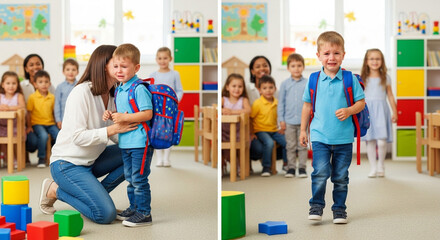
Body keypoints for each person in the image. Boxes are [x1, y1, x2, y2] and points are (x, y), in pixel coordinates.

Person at [38, 45, 138, 224]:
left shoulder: (114, 95)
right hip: (66, 165)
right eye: (116, 63)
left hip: (92, 160)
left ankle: (96, 197)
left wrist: (137, 137)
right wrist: (113, 129)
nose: (121, 67)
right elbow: (78, 137)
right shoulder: (81, 92)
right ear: (103, 65)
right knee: (105, 215)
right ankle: (55, 190)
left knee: (134, 153)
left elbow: (115, 135)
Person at [299, 31, 365, 224]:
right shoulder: (313, 79)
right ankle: (316, 206)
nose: (331, 58)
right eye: (326, 53)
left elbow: (361, 103)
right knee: (320, 172)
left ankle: (339, 210)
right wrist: (303, 130)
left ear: (343, 55)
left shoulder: (350, 79)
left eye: (336, 53)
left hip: (344, 138)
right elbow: (306, 106)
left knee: (341, 177)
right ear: (318, 55)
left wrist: (349, 110)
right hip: (319, 136)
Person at [102, 43, 154, 227]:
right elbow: (122, 112)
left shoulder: (139, 88)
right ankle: (134, 208)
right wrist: (111, 114)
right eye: (116, 66)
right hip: (126, 142)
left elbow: (147, 114)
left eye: (124, 66)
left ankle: (144, 213)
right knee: (131, 178)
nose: (119, 70)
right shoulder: (120, 89)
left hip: (140, 142)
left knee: (139, 179)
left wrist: (124, 117)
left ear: (136, 68)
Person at [360, 48, 397, 178]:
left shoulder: (385, 77)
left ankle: (381, 165)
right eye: (372, 58)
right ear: (366, 61)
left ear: (382, 61)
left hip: (382, 111)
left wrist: (395, 112)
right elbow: (358, 97)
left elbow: (390, 96)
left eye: (378, 59)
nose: (375, 61)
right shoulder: (362, 78)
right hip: (367, 112)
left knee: (381, 141)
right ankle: (373, 167)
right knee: (370, 141)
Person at [149, 47, 183, 167]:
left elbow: (179, 90)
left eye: (165, 58)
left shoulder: (175, 74)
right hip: (157, 109)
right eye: (160, 58)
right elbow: (150, 91)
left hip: (171, 109)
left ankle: (167, 158)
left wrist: (175, 101)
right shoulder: (153, 75)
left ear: (170, 59)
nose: (162, 61)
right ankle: (159, 158)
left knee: (169, 131)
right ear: (156, 59)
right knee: (157, 131)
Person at [278, 53, 308, 178]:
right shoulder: (285, 84)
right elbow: (281, 103)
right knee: (290, 146)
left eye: (299, 65)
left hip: (303, 122)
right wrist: (281, 120)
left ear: (303, 67)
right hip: (289, 121)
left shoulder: (307, 82)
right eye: (293, 66)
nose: (296, 68)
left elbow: (310, 103)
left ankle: (302, 168)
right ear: (288, 68)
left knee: (302, 146)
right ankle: (291, 168)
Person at [250, 75, 287, 177]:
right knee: (269, 143)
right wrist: (251, 132)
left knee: (287, 142)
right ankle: (266, 167)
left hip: (274, 130)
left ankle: (286, 164)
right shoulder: (257, 103)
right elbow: (251, 118)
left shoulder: (277, 103)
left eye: (271, 87)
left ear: (275, 89)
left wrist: (281, 128)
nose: (268, 90)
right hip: (261, 130)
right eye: (264, 88)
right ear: (260, 90)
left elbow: (280, 116)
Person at [21, 54, 56, 159]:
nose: (35, 67)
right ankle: (39, 156)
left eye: (38, 64)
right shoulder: (22, 85)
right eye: (31, 65)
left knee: (57, 135)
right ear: (26, 69)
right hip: (30, 124)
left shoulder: (50, 86)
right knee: (32, 143)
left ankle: (52, 157)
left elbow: (54, 106)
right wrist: (27, 126)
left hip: (47, 122)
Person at [26, 70, 59, 168]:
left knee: (59, 135)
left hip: (51, 123)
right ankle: (41, 158)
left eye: (46, 82)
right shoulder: (32, 97)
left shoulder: (52, 97)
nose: (44, 84)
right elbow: (29, 113)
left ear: (50, 83)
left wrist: (57, 123)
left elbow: (54, 112)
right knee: (43, 136)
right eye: (40, 82)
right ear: (35, 84)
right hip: (37, 124)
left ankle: (57, 157)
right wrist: (29, 126)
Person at [221, 73, 251, 175]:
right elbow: (217, 109)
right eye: (234, 86)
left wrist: (232, 112)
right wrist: (222, 110)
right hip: (224, 131)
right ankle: (223, 164)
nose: (237, 89)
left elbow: (248, 111)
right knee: (224, 147)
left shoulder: (243, 100)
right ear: (227, 87)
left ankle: (239, 166)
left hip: (239, 132)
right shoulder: (223, 99)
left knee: (238, 150)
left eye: (240, 86)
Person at [0, 71, 26, 167]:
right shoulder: (0, 96)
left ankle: (15, 159)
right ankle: (7, 158)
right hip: (2, 126)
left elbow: (22, 107)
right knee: (3, 141)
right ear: (3, 84)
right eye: (8, 83)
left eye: (14, 83)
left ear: (17, 85)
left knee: (13, 140)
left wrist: (9, 108)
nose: (11, 86)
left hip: (16, 127)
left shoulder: (18, 96)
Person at [55, 58, 79, 129]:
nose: (70, 72)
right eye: (68, 69)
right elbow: (57, 104)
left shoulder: (80, 85)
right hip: (64, 118)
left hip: (77, 117)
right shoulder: (60, 87)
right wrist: (58, 120)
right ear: (63, 71)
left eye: (73, 70)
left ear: (77, 72)